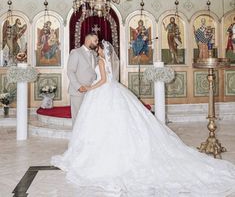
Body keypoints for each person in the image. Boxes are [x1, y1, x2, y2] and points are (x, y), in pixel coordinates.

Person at [51, 40, 235, 196]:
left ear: (101, 50)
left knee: (103, 124)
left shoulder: (100, 62)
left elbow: (103, 81)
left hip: (101, 92)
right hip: (111, 92)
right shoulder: (104, 61)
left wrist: (91, 88)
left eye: (98, 48)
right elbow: (109, 79)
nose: (97, 49)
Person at [67, 32, 98, 125]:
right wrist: (78, 86)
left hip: (91, 91)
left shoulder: (94, 54)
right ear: (88, 40)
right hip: (78, 91)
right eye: (95, 40)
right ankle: (76, 138)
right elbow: (70, 71)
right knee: (77, 118)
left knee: (88, 117)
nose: (97, 42)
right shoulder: (76, 52)